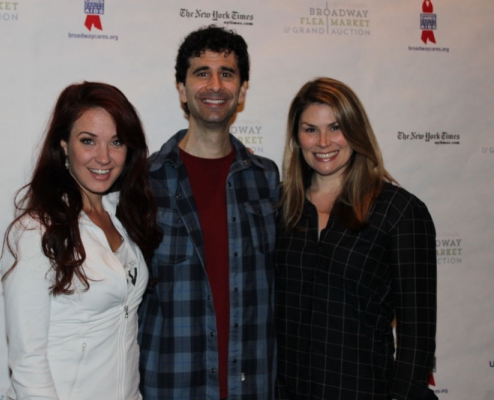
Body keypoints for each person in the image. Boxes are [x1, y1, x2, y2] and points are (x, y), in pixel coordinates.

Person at [138, 25, 280, 400]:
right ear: (182, 90)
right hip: (171, 386)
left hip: (253, 384)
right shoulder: (145, 181)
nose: (215, 85)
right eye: (202, 73)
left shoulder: (266, 179)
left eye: (227, 73)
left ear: (242, 90)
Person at [275, 77, 438, 400]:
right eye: (310, 129)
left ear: (355, 131)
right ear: (297, 138)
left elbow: (417, 335)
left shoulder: (399, 211)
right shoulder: (280, 208)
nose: (323, 142)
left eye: (335, 127)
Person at [1, 82, 162, 400]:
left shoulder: (123, 218)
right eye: (88, 141)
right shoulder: (37, 232)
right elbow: (27, 361)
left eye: (116, 142)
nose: (103, 157)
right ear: (63, 144)